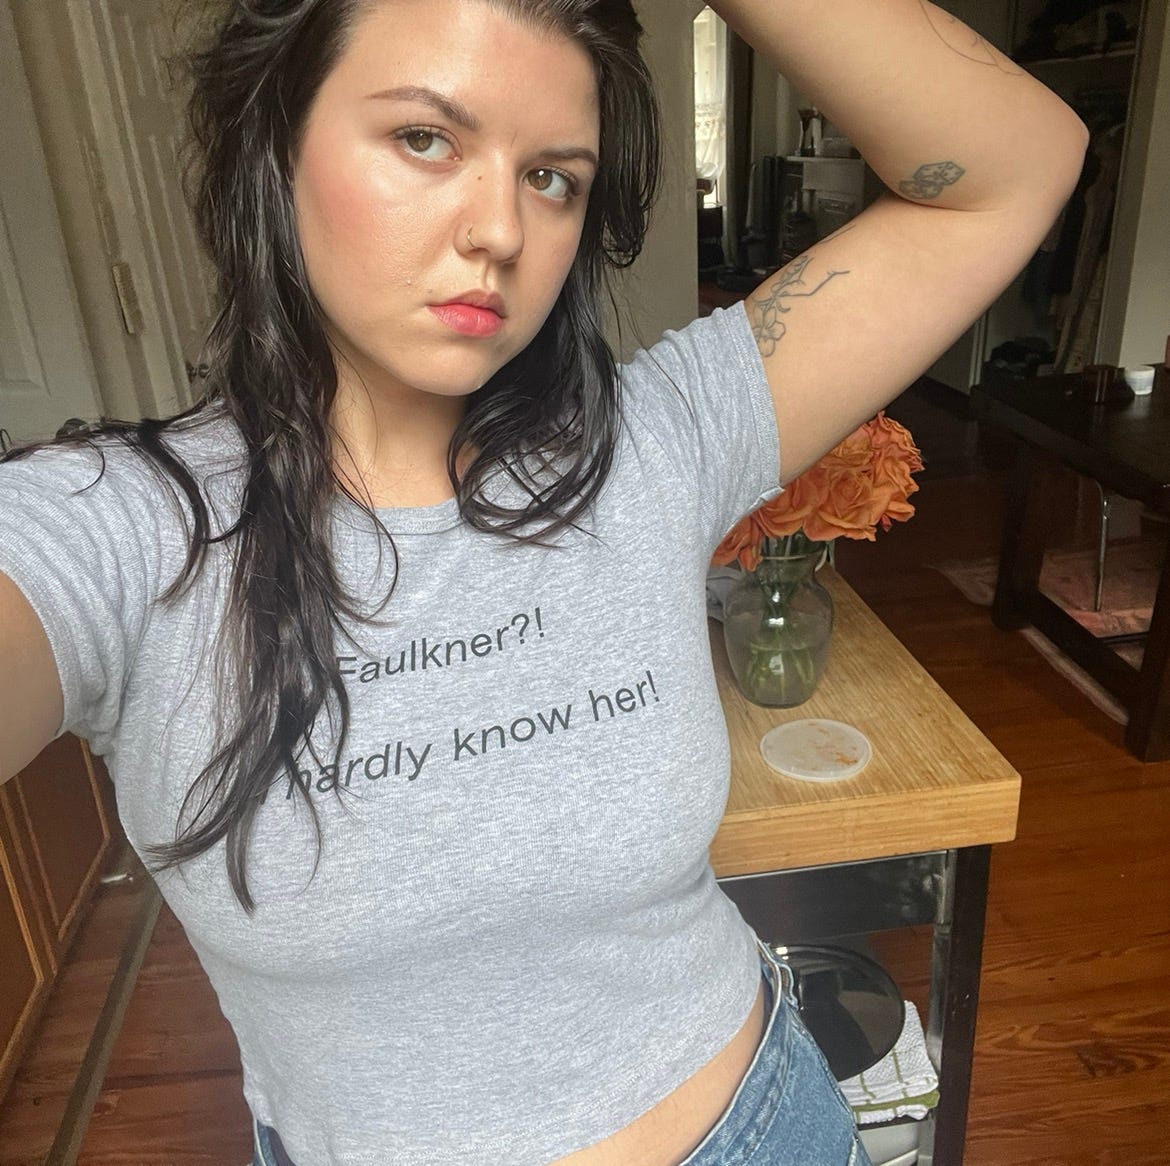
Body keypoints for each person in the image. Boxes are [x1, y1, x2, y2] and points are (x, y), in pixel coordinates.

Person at [0, 1, 1086, 1163]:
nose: (501, 231)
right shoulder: (116, 531)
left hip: (764, 1127)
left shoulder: (660, 440)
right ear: (278, 143)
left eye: (552, 177)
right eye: (425, 138)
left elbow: (1011, 168)